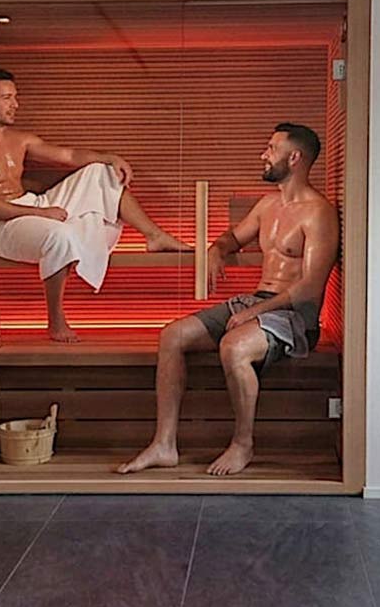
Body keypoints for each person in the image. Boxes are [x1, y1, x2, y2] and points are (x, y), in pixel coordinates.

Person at [117, 123, 339, 476]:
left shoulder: (319, 213)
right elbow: (232, 238)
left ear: (295, 158)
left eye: (272, 148)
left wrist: (255, 312)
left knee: (233, 347)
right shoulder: (268, 205)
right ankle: (164, 444)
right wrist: (216, 250)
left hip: (294, 316)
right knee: (172, 335)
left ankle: (242, 444)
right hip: (257, 302)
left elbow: (310, 288)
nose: (263, 155)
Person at [0, 68, 189, 343]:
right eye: (6, 98)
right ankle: (55, 320)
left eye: (15, 97)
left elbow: (69, 155)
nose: (15, 104)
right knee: (60, 235)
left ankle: (154, 235)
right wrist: (40, 213)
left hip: (29, 206)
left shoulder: (19, 139)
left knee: (100, 172)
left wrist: (109, 157)